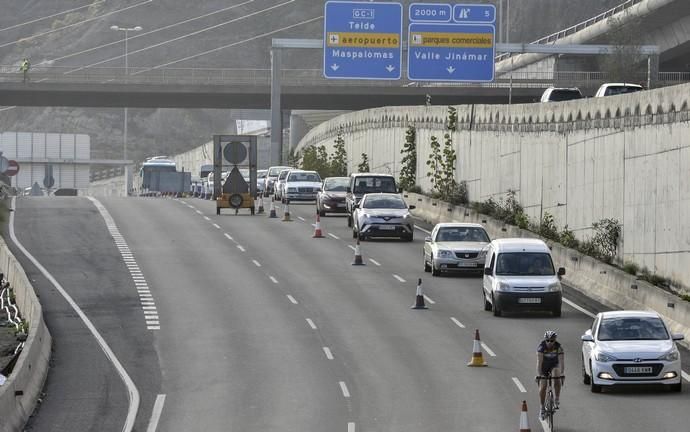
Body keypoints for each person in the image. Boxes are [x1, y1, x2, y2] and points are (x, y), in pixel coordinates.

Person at [536, 330, 564, 420]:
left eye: (552, 340)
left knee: (557, 374)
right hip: (544, 367)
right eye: (547, 340)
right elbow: (539, 362)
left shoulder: (558, 347)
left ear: (555, 340)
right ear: (545, 340)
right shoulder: (541, 347)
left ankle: (557, 399)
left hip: (553, 366)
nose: (549, 342)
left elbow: (561, 362)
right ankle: (542, 408)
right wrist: (539, 375)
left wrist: (562, 373)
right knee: (543, 386)